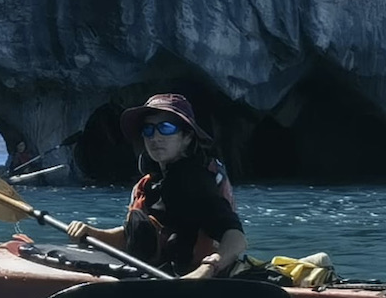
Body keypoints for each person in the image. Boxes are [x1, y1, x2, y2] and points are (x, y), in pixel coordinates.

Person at [64, 93, 248, 279]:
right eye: (148, 130)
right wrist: (93, 234)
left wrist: (207, 268)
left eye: (166, 128)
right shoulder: (151, 184)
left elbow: (236, 237)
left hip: (196, 282)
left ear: (187, 137)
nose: (155, 137)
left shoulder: (198, 182)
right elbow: (138, 237)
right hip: (158, 276)